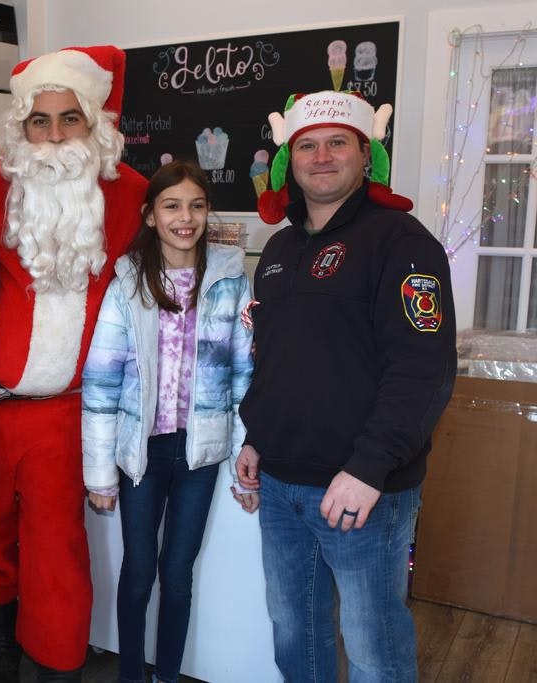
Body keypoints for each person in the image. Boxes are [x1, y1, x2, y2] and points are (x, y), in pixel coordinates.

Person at [0, 46, 148, 681]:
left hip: (66, 411)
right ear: (20, 127)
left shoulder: (133, 194)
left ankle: (59, 662)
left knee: (59, 548)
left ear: (95, 123)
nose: (55, 136)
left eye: (70, 120)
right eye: (40, 121)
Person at [237, 91, 457, 682]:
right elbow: (273, 357)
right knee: (294, 636)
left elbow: (424, 367)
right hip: (281, 486)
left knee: (373, 648)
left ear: (367, 155)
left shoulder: (402, 242)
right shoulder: (279, 249)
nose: (322, 156)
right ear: (291, 160)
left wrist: (367, 469)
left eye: (339, 142)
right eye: (307, 145)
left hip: (364, 491)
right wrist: (256, 436)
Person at [82, 160, 256, 683]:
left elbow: (245, 375)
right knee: (138, 573)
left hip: (201, 453)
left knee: (177, 575)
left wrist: (249, 458)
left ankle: (168, 677)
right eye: (173, 205)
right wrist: (98, 473)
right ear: (151, 215)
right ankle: (131, 675)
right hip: (143, 454)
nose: (186, 217)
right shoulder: (128, 282)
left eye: (197, 205)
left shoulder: (230, 278)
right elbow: (101, 381)